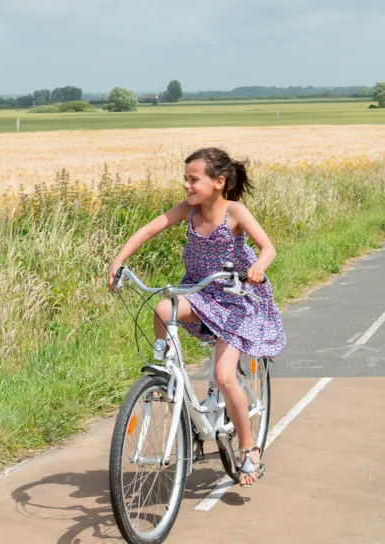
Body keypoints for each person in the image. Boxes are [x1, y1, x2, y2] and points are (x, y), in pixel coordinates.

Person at [108, 147, 286, 487]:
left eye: (194, 180)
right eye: (185, 179)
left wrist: (258, 269)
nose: (187, 186)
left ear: (219, 182)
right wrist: (118, 263)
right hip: (200, 292)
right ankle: (168, 371)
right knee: (163, 308)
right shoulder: (187, 210)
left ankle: (249, 449)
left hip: (235, 297)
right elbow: (149, 230)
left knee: (223, 376)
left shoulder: (235, 212)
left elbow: (268, 248)